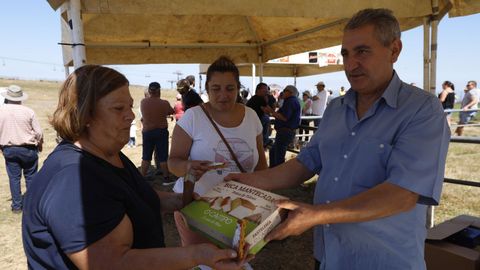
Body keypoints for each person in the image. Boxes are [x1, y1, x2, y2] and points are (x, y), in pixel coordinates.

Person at [226, 8, 450, 270]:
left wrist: (315, 215)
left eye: (362, 51)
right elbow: (305, 163)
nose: (350, 64)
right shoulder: (336, 108)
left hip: (383, 260)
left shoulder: (422, 110)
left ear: (394, 50)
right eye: (346, 53)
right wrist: (248, 181)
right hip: (329, 254)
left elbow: (402, 194)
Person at [22, 65, 247, 270]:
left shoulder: (109, 154)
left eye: (130, 106)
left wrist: (178, 201)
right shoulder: (73, 177)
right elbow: (110, 263)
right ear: (86, 114)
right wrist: (196, 255)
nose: (130, 115)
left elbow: (136, 196)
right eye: (119, 108)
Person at [168, 56, 268, 248]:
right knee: (204, 262)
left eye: (230, 88)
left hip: (240, 209)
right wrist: (188, 167)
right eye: (216, 89)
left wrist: (263, 200)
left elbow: (261, 165)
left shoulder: (252, 116)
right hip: (198, 208)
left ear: (238, 88)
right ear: (207, 89)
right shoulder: (193, 117)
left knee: (235, 261)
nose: (223, 95)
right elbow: (173, 162)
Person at [0, 85, 43, 213]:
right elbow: (39, 132)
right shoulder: (29, 111)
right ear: (20, 98)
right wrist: (39, 143)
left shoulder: (1, 111)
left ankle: (17, 206)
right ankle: (32, 205)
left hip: (9, 149)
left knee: (14, 178)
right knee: (31, 177)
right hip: (28, 148)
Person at [140, 82, 175, 185]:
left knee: (146, 156)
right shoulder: (164, 103)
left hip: (147, 132)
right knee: (163, 156)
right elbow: (171, 111)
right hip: (161, 132)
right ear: (159, 91)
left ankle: (142, 177)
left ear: (149, 91)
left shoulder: (143, 102)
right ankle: (166, 178)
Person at [262, 85, 301, 168]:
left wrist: (271, 111)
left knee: (278, 155)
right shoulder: (291, 101)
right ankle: (273, 171)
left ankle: (277, 174)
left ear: (290, 92)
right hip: (285, 131)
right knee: (274, 151)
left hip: (285, 131)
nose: (283, 92)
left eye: (285, 90)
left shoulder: (291, 101)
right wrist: (272, 112)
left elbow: (284, 117)